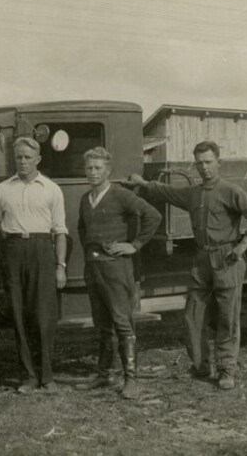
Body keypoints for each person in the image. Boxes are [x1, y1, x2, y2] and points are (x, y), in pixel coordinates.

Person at [129, 141, 247, 390]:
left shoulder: (230, 191)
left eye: (208, 162)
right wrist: (142, 184)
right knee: (193, 315)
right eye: (199, 163)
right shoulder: (194, 194)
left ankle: (226, 370)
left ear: (218, 163)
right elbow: (166, 191)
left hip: (227, 259)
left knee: (228, 318)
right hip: (202, 260)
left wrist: (243, 245)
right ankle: (202, 366)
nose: (204, 167)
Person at [0, 137, 67, 393]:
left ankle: (47, 376)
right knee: (18, 315)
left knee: (44, 317)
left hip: (42, 252)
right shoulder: (3, 189)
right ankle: (28, 376)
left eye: (28, 157)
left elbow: (60, 231)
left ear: (38, 159)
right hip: (13, 251)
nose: (23, 161)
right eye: (18, 157)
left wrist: (60, 265)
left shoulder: (51, 189)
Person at [77, 147, 162, 399]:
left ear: (108, 171)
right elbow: (83, 230)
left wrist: (133, 245)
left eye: (98, 168)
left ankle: (131, 379)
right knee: (102, 324)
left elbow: (152, 215)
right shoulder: (85, 199)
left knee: (123, 324)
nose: (93, 173)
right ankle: (104, 374)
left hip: (116, 269)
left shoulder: (120, 195)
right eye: (89, 168)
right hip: (93, 269)